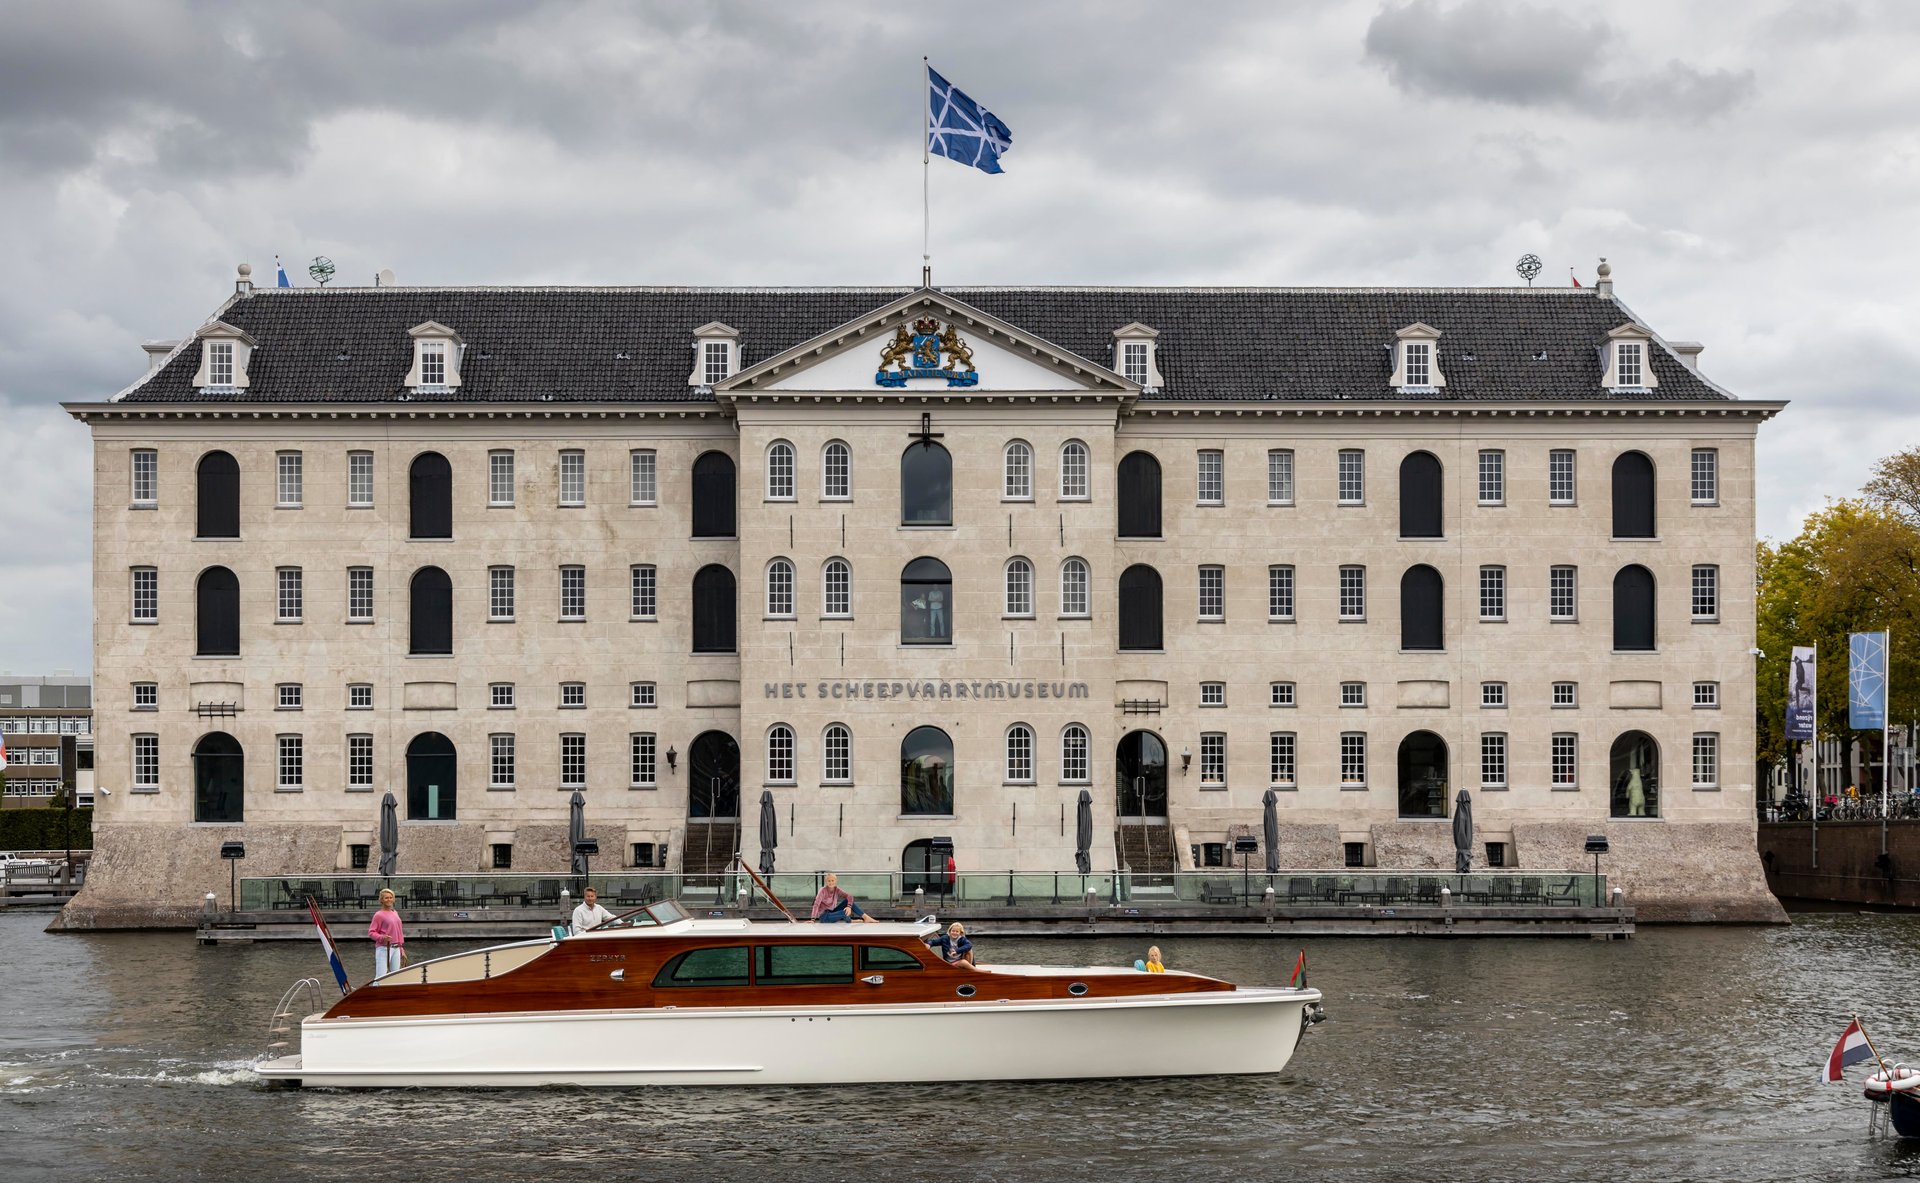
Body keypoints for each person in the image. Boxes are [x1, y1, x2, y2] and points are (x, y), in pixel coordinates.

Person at [811, 872, 877, 923]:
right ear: (826, 882)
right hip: (824, 917)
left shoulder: (837, 889)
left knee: (847, 902)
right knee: (844, 912)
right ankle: (850, 921)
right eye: (829, 881)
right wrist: (813, 919)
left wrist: (849, 906)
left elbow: (849, 896)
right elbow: (816, 905)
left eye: (832, 880)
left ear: (835, 881)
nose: (831, 882)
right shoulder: (822, 890)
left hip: (832, 912)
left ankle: (865, 917)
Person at [368, 888, 405, 979]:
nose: (389, 900)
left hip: (396, 948)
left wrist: (401, 948)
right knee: (381, 976)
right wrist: (382, 937)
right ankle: (376, 991)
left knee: (395, 975)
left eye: (391, 897)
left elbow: (398, 931)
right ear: (381, 900)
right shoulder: (378, 915)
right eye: (386, 898)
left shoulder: (395, 912)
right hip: (384, 948)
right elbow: (371, 932)